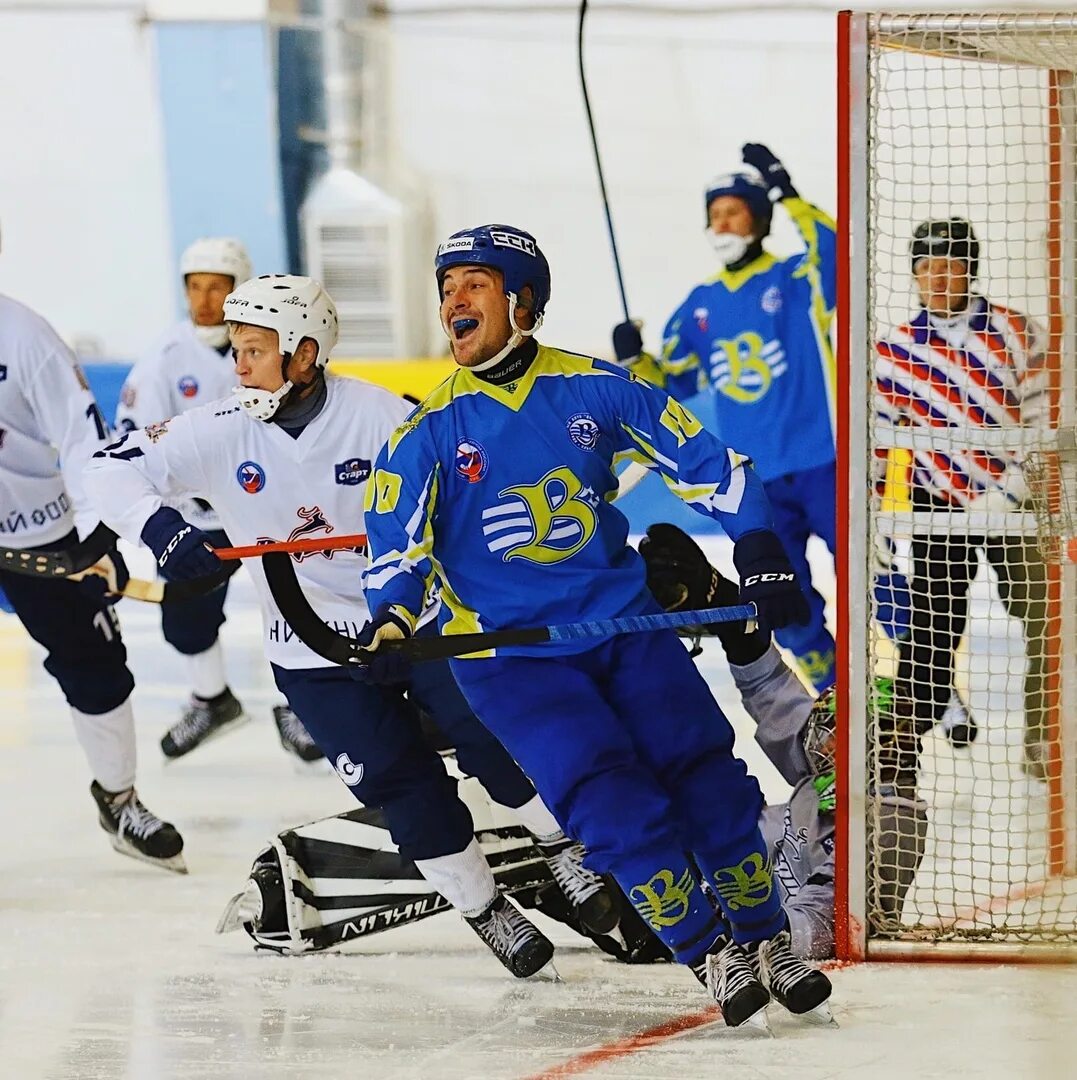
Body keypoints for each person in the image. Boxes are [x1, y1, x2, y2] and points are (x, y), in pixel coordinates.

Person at [359, 224, 833, 1028]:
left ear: (522, 301)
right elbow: (393, 553)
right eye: (446, 289)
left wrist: (758, 548)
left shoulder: (595, 389)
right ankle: (708, 952)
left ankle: (766, 939)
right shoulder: (424, 434)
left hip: (626, 630)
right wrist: (391, 623)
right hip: (514, 661)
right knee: (610, 805)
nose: (453, 303)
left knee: (709, 783)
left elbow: (714, 470)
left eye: (473, 284)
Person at [83, 273, 616, 978]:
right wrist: (160, 528)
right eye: (235, 349)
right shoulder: (217, 428)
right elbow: (102, 467)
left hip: (417, 619)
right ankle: (485, 910)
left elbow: (464, 493)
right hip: (307, 651)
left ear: (304, 355)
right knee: (398, 782)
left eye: (255, 349)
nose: (238, 364)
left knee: (493, 739)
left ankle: (563, 850)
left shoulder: (382, 416)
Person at [612, 144, 838, 693]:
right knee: (786, 596)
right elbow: (672, 384)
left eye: (733, 211)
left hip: (823, 462)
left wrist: (786, 191)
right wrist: (633, 359)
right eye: (714, 214)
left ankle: (922, 684)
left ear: (758, 220)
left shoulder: (795, 280)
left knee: (873, 580)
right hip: (756, 477)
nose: (722, 223)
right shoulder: (699, 305)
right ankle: (834, 693)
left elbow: (834, 252)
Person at [115, 237, 320, 765]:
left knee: (294, 606)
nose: (205, 299)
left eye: (218, 287)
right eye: (195, 286)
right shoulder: (163, 358)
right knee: (186, 619)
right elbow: (136, 438)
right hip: (197, 521)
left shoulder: (273, 344)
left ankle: (297, 704)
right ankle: (212, 698)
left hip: (265, 512)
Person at [0, 291, 184, 871]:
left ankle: (119, 800)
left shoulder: (24, 336)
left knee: (97, 667)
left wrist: (91, 539)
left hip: (36, 532)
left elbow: (83, 440)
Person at [875, 218, 1050, 779]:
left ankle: (1045, 740)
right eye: (926, 268)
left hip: (1013, 508)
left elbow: (1048, 423)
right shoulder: (894, 351)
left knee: (1046, 616)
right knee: (929, 630)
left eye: (950, 265)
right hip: (937, 507)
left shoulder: (1019, 333)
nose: (938, 277)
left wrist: (1010, 492)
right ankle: (899, 752)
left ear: (970, 269)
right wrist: (875, 521)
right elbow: (878, 444)